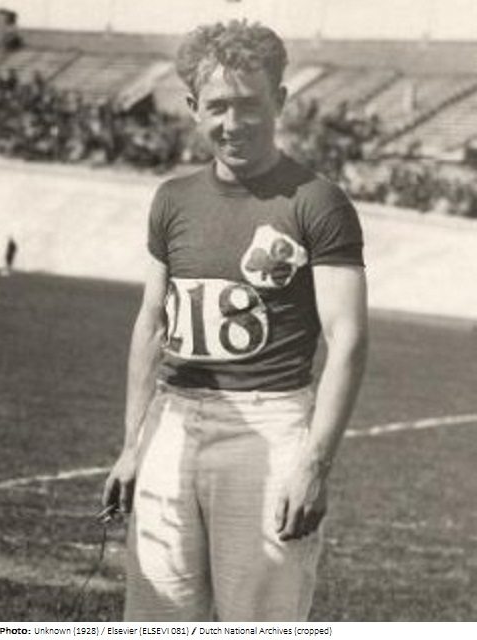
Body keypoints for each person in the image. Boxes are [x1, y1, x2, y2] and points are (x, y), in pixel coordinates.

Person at [103, 20, 368, 622]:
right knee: (157, 618)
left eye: (250, 104)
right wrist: (131, 446)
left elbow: (347, 339)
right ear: (193, 108)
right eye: (218, 106)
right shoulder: (172, 198)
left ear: (281, 100)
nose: (234, 122)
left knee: (258, 621)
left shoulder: (317, 201)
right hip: (171, 422)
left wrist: (314, 465)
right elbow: (151, 323)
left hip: (268, 429)